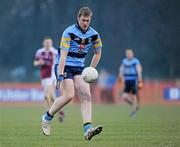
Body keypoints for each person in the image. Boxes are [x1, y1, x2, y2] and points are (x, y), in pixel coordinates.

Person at [41, 7, 103, 140]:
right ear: (78, 18)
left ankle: (87, 130)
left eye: (87, 20)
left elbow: (98, 53)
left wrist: (90, 70)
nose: (85, 23)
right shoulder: (68, 32)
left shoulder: (94, 34)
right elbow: (63, 56)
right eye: (83, 20)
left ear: (90, 19)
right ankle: (46, 118)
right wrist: (60, 74)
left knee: (86, 95)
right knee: (69, 95)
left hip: (79, 67)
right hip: (64, 65)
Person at [34, 37, 64, 122]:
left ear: (52, 44)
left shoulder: (54, 52)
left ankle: (46, 115)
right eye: (46, 43)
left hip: (52, 76)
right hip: (44, 76)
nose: (48, 44)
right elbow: (35, 62)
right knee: (52, 97)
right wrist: (39, 63)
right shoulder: (39, 52)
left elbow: (59, 62)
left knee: (46, 96)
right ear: (43, 44)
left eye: (49, 43)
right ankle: (60, 111)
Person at [118, 49, 143, 118]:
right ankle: (134, 105)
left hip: (133, 80)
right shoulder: (124, 61)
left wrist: (140, 79)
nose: (128, 55)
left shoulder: (135, 61)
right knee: (124, 96)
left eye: (129, 53)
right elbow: (121, 69)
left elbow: (139, 70)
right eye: (127, 54)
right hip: (126, 81)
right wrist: (120, 76)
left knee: (134, 96)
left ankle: (133, 112)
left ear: (132, 54)